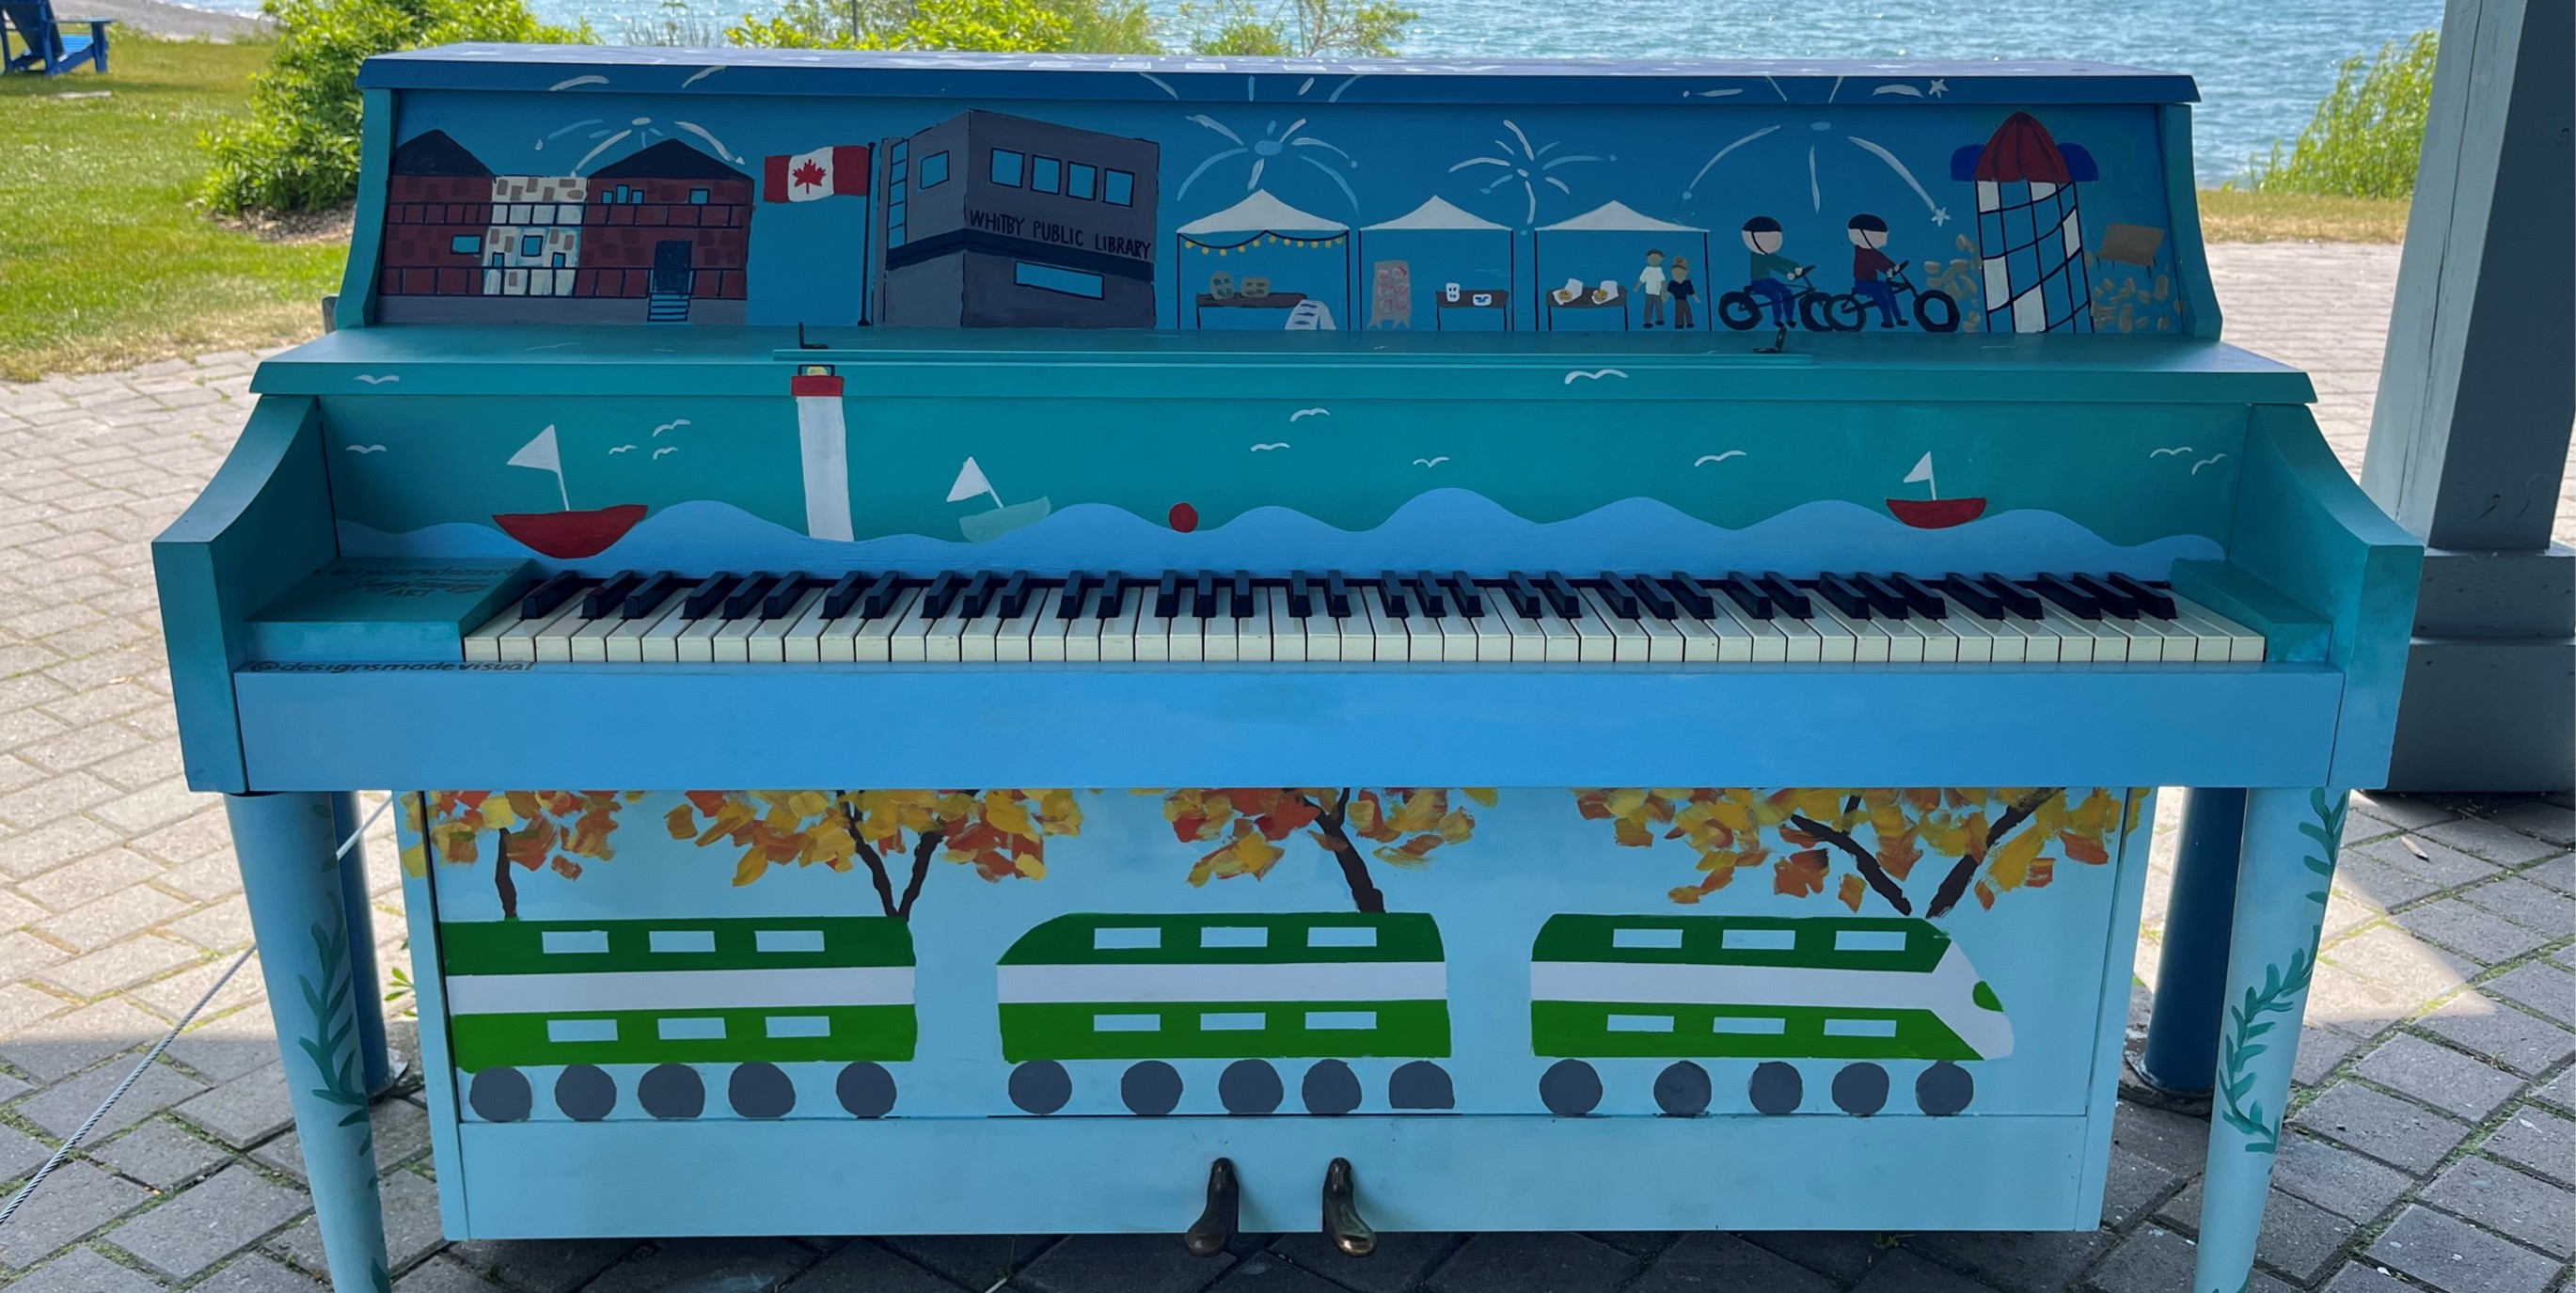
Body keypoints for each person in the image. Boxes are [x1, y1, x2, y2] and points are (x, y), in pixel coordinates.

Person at [1741, 216, 1803, 327]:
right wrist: (1787, 273)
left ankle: (1789, 318)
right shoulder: (1758, 255)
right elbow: (1774, 264)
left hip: (1768, 280)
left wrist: (1795, 267)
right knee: (1775, 297)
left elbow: (1779, 260)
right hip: (1758, 281)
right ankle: (1777, 320)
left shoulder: (1767, 255)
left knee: (1787, 293)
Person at [1847, 213, 1902, 327]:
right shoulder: (1862, 252)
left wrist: (1893, 266)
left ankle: (1898, 318)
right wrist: (1887, 271)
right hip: (1863, 283)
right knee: (1881, 297)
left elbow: (1881, 258)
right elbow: (1875, 263)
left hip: (1872, 282)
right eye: (1879, 236)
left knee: (1890, 293)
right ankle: (1888, 321)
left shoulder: (1871, 251)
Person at [1635, 249, 1668, 327]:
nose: (1654, 260)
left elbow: (1663, 282)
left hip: (1658, 294)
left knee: (1659, 307)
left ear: (1661, 259)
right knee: (1648, 308)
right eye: (1652, 258)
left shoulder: (1659, 270)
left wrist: (1663, 293)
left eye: (1657, 258)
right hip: (1649, 294)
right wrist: (1636, 287)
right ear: (1647, 258)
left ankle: (1660, 320)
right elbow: (1641, 280)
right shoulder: (1647, 270)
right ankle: (1647, 321)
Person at [1668, 257, 1697, 328]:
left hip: (1684, 300)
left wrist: (1696, 298)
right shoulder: (1673, 283)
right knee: (1679, 312)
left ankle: (1689, 323)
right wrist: (1665, 297)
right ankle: (1679, 324)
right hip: (1678, 300)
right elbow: (1669, 292)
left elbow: (1692, 292)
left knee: (1687, 311)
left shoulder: (1686, 283)